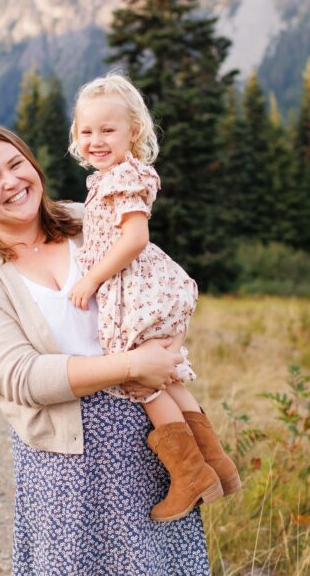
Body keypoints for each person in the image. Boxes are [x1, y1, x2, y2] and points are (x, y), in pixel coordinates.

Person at [0, 124, 211, 574]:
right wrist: (131, 364)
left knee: (159, 563)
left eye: (16, 165)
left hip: (150, 436)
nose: (11, 182)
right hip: (66, 460)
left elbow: (162, 286)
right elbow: (23, 379)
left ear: (33, 165)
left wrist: (165, 354)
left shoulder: (88, 218)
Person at [66, 73, 240, 522]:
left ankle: (189, 475)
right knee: (170, 374)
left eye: (108, 130)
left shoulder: (123, 177)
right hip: (145, 285)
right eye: (87, 131)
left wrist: (90, 280)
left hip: (133, 287)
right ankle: (216, 463)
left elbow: (134, 239)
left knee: (142, 379)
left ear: (133, 133)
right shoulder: (114, 177)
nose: (96, 140)